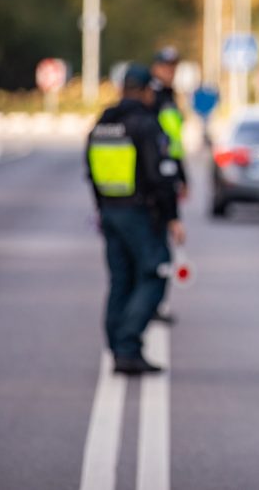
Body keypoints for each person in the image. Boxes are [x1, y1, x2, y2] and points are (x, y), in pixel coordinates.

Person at [85, 64, 186, 374]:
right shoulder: (145, 124)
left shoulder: (101, 125)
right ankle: (128, 346)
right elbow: (161, 175)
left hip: (110, 213)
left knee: (121, 280)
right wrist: (172, 218)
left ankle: (117, 347)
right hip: (140, 213)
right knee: (155, 272)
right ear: (145, 92)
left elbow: (91, 173)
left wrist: (102, 210)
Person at [150, 46, 188, 198]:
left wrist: (182, 177)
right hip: (156, 166)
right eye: (165, 67)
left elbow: (175, 141)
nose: (170, 71)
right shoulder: (151, 96)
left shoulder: (170, 95)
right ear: (155, 68)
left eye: (173, 67)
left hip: (170, 165)